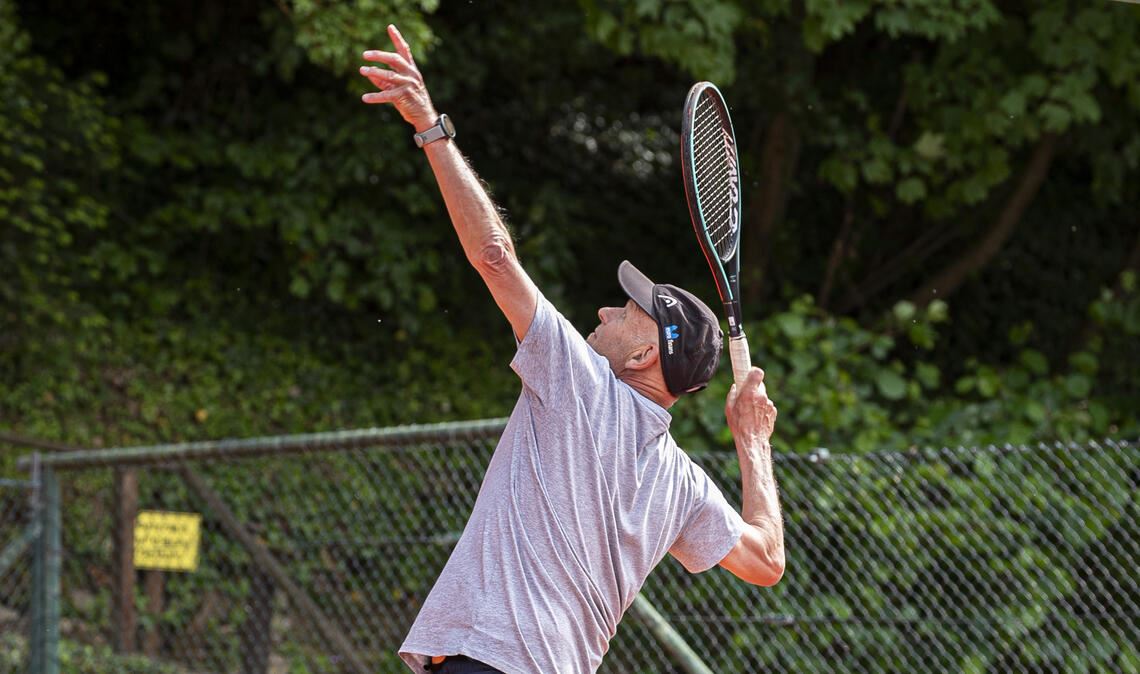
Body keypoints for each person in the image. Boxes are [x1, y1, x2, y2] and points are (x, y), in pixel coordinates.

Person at [360, 24, 785, 674]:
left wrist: (430, 129)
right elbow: (766, 561)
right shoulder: (677, 482)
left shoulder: (580, 382)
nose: (606, 310)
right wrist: (752, 443)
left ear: (646, 357)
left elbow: (495, 258)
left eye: (629, 310)